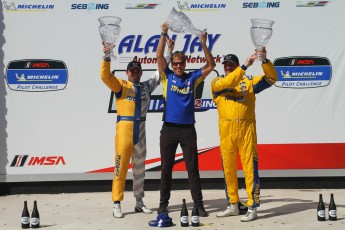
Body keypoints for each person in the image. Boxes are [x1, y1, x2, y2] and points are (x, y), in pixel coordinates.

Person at [100, 41, 174, 218]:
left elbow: (161, 70)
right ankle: (117, 203)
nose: (135, 73)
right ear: (127, 73)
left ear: (141, 73)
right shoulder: (121, 85)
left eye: (137, 70)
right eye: (132, 70)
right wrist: (107, 57)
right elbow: (104, 76)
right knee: (120, 168)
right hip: (124, 130)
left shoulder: (147, 86)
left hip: (141, 130)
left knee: (140, 169)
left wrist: (170, 52)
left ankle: (139, 202)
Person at [155, 23, 216, 217]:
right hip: (169, 129)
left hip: (188, 130)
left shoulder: (193, 78)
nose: (178, 66)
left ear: (185, 63)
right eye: (176, 63)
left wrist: (203, 44)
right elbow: (158, 56)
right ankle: (163, 204)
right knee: (166, 169)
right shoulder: (167, 77)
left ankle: (198, 204)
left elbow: (212, 65)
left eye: (181, 63)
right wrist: (164, 34)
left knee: (193, 169)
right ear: (172, 65)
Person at [211, 48, 278, 222]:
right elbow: (227, 83)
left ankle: (252, 206)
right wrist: (244, 66)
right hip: (226, 134)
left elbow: (272, 79)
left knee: (250, 169)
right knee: (229, 171)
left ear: (235, 65)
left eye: (230, 65)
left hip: (246, 131)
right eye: (225, 65)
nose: (227, 68)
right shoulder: (217, 82)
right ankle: (233, 204)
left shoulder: (248, 82)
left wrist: (264, 61)